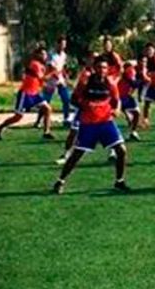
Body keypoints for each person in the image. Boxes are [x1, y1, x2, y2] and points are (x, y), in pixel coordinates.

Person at [53, 58, 130, 194]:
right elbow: (73, 99)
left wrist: (117, 109)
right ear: (94, 68)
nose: (102, 70)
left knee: (121, 150)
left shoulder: (110, 83)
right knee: (77, 154)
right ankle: (60, 181)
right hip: (89, 123)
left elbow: (116, 100)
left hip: (106, 122)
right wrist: (85, 106)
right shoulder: (85, 82)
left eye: (105, 68)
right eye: (99, 67)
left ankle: (119, 181)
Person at [0, 47, 55, 140]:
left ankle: (46, 132)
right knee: (18, 117)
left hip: (34, 93)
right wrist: (54, 72)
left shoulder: (42, 66)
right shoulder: (35, 64)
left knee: (47, 109)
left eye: (45, 54)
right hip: (26, 93)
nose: (44, 56)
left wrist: (46, 86)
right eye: (42, 54)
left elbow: (40, 81)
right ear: (37, 55)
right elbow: (42, 77)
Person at [56, 51, 96, 165]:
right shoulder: (86, 74)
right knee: (74, 131)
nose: (93, 61)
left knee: (106, 131)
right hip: (84, 108)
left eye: (95, 59)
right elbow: (80, 89)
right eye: (92, 58)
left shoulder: (102, 74)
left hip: (98, 109)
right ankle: (66, 154)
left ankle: (113, 153)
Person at [41, 35, 72, 126]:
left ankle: (66, 119)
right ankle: (40, 120)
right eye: (61, 44)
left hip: (60, 81)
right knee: (46, 102)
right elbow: (51, 68)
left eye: (64, 44)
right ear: (57, 44)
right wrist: (56, 76)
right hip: (51, 81)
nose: (63, 46)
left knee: (66, 99)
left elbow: (62, 68)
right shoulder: (51, 55)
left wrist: (65, 78)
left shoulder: (64, 55)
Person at [119, 61, 142, 141]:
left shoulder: (132, 71)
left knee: (136, 113)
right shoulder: (130, 70)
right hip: (124, 96)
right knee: (135, 114)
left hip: (126, 95)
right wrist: (143, 79)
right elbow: (133, 83)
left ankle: (133, 132)